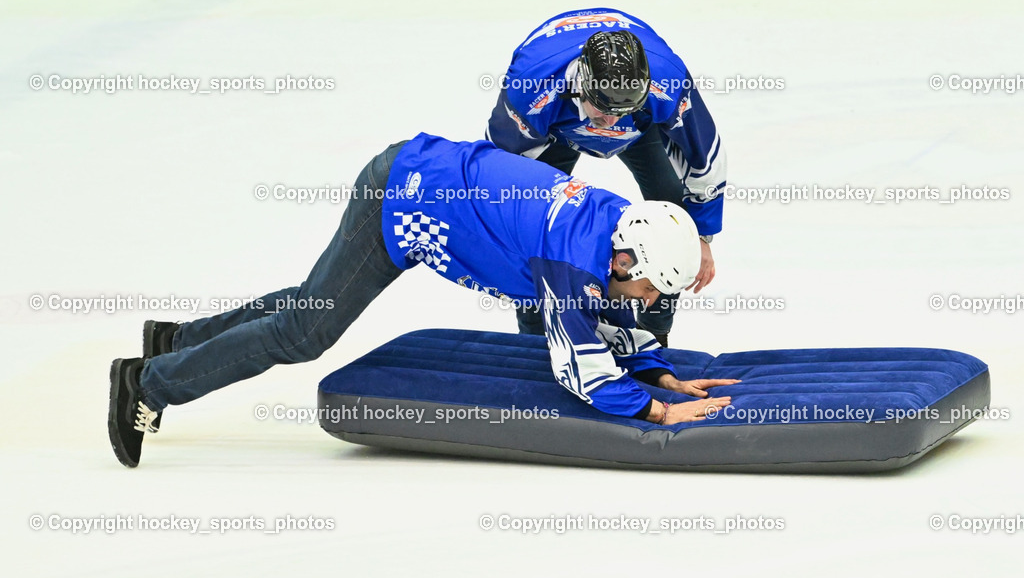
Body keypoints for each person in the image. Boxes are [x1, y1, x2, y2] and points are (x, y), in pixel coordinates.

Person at [108, 134, 737, 467]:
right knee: (306, 332)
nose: (648, 301)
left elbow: (609, 315)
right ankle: (147, 384)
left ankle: (176, 341)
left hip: (422, 180)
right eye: (651, 287)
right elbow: (582, 371)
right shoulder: (570, 260)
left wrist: (659, 373)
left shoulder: (618, 227)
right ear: (625, 260)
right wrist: (658, 412)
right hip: (404, 199)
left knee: (309, 305)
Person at [486, 8, 728, 346]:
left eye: (622, 111)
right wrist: (504, 245)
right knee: (532, 232)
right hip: (556, 129)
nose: (611, 123)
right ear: (581, 86)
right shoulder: (532, 88)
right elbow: (498, 172)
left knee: (674, 224)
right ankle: (535, 341)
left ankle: (656, 337)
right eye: (603, 109)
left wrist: (701, 234)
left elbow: (704, 155)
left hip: (640, 128)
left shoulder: (668, 82)